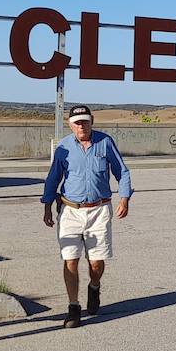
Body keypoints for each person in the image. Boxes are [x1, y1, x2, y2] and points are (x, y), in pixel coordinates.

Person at [41, 105, 132, 328]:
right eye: (77, 122)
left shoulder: (105, 142)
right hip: (70, 210)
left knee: (96, 263)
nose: (81, 126)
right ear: (71, 125)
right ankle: (73, 307)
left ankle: (94, 286)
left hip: (99, 210)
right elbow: (54, 177)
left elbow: (122, 171)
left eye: (85, 121)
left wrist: (124, 198)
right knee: (70, 258)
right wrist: (47, 205)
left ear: (91, 122)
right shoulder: (63, 147)